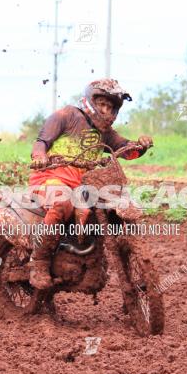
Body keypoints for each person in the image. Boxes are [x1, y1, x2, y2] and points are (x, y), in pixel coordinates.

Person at [28, 78, 153, 289]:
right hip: (50, 178)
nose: (106, 110)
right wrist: (39, 156)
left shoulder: (105, 132)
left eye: (111, 107)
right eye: (102, 104)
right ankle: (39, 262)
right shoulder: (67, 115)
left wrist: (141, 146)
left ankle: (91, 258)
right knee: (61, 204)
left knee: (103, 207)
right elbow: (42, 142)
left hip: (82, 185)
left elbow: (125, 149)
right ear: (91, 101)